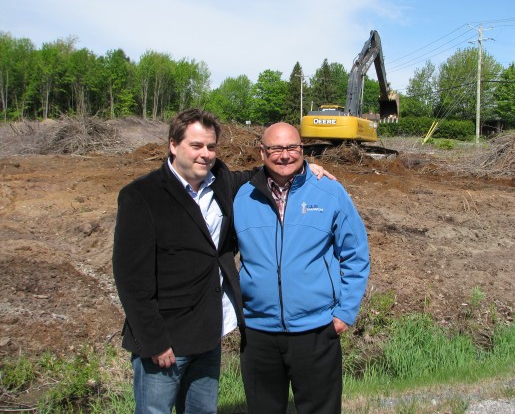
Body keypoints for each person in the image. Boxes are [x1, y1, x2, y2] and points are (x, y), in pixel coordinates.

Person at [112, 110, 331, 414]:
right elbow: (130, 279)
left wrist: (305, 167)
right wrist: (154, 340)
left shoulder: (222, 183)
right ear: (174, 145)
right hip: (166, 340)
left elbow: (268, 169)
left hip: (208, 334)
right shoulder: (141, 196)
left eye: (211, 147)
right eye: (196, 145)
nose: (205, 154)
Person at [233, 122, 371, 414]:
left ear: (302, 149)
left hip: (316, 331)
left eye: (292, 147)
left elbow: (356, 253)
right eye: (276, 148)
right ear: (262, 152)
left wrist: (345, 311)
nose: (285, 155)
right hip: (258, 334)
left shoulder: (329, 192)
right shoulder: (241, 196)